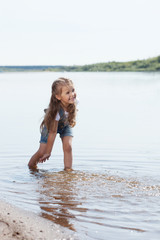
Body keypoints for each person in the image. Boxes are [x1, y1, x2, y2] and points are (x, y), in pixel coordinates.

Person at [28, 77, 78, 171]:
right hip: (50, 128)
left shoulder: (75, 101)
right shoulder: (56, 112)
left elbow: (72, 114)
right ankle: (31, 166)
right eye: (67, 93)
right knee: (42, 151)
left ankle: (68, 171)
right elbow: (53, 132)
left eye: (73, 90)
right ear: (58, 97)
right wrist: (48, 152)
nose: (72, 94)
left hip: (65, 125)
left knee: (68, 146)